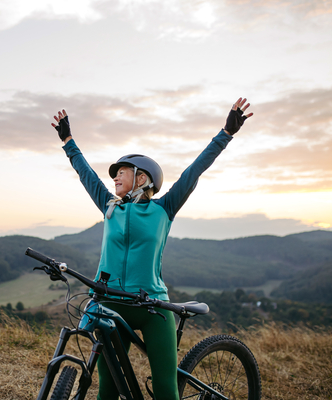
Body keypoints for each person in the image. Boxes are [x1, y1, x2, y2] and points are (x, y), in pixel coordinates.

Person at [50, 98, 253, 400]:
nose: (115, 176)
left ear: (141, 178)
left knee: (165, 389)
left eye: (122, 171)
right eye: (115, 173)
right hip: (111, 303)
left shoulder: (164, 209)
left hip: (153, 307)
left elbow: (193, 171)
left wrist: (226, 133)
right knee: (107, 387)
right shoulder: (109, 207)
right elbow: (85, 173)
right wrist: (67, 140)